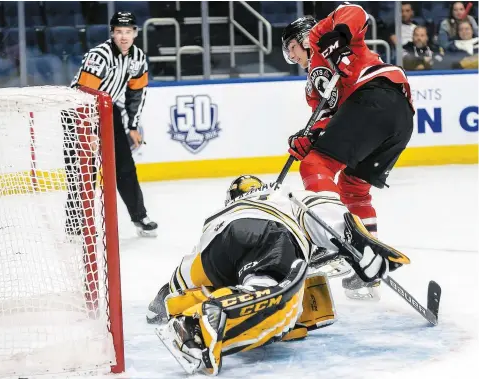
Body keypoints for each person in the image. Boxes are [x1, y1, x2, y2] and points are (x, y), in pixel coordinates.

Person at [146, 175, 409, 375]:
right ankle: (194, 325)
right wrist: (357, 245)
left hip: (214, 247)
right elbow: (324, 212)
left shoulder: (220, 214)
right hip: (271, 231)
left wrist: (163, 298)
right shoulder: (282, 196)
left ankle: (191, 306)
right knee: (279, 305)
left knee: (221, 284)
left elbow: (185, 273)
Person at [281, 2, 415, 300]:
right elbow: (328, 120)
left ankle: (337, 238)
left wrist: (338, 36)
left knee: (314, 166)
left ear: (303, 37)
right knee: (353, 189)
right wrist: (308, 137)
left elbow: (353, 11)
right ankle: (367, 271)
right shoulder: (312, 89)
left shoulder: (319, 37)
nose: (291, 55)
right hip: (398, 117)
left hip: (374, 94)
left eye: (291, 47)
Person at [69, 11, 157, 237]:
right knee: (82, 169)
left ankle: (140, 216)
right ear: (112, 33)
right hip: (78, 113)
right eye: (119, 32)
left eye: (128, 32)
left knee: (125, 167)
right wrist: (86, 129)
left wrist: (133, 126)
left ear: (135, 33)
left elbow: (136, 94)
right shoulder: (99, 56)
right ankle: (76, 221)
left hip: (109, 112)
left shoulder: (138, 58)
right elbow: (83, 94)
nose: (124, 37)